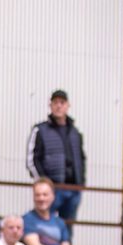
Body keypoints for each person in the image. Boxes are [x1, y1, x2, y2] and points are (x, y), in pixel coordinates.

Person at [26, 89, 86, 223]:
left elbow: (81, 159)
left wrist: (81, 183)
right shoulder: (40, 130)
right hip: (52, 189)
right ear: (50, 105)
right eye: (55, 102)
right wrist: (43, 184)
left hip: (73, 189)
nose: (59, 106)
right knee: (44, 224)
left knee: (67, 227)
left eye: (62, 102)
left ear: (68, 105)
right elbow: (32, 160)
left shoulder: (75, 133)